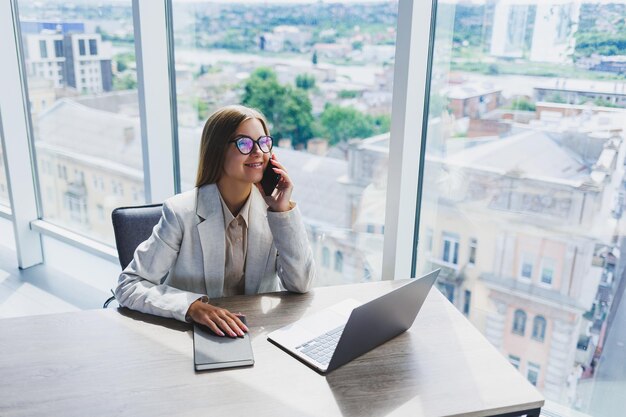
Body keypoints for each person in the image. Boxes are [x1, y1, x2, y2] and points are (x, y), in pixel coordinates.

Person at [115, 105, 315, 338]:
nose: (258, 151)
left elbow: (301, 284)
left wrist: (282, 212)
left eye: (263, 142)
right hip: (192, 336)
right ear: (217, 151)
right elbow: (128, 285)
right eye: (244, 143)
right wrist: (192, 307)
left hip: (256, 334)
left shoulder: (274, 213)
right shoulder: (180, 212)